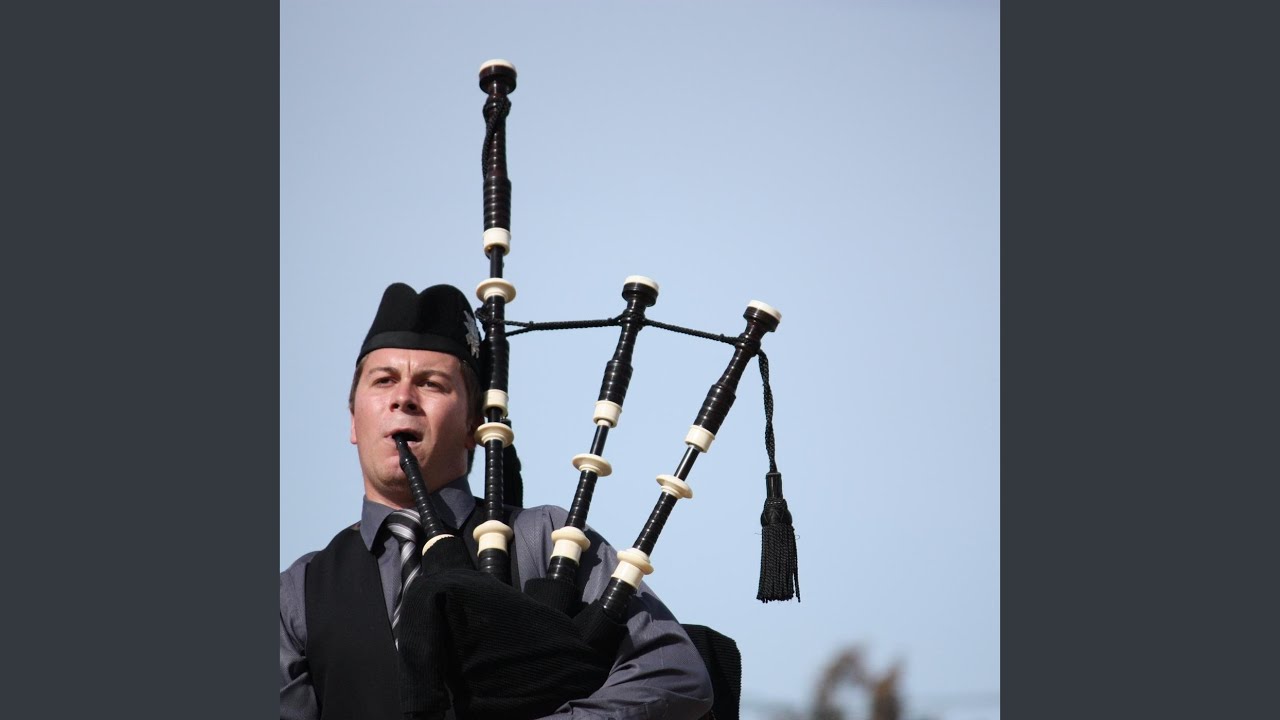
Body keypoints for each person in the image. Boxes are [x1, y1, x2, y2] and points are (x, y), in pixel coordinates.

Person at [280, 282, 714, 720]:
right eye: (383, 380)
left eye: (431, 383)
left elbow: (674, 673)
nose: (403, 398)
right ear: (354, 418)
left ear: (474, 426)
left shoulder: (546, 540)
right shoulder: (298, 593)